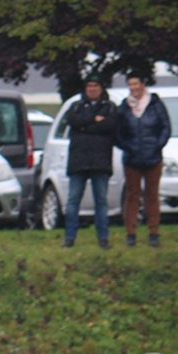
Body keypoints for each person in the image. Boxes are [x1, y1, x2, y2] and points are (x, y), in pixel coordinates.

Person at [62, 74, 118, 249]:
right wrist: (94, 120)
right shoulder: (76, 106)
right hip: (79, 161)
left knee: (101, 201)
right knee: (73, 201)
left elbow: (110, 126)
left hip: (100, 162)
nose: (92, 89)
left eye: (96, 86)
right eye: (89, 86)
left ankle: (103, 238)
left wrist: (86, 125)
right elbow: (73, 121)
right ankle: (69, 237)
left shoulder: (109, 107)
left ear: (101, 88)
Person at [116, 73, 171, 248]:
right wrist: (127, 147)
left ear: (142, 84)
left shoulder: (155, 104)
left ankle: (153, 231)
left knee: (152, 195)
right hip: (132, 158)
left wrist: (157, 146)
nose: (133, 87)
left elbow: (165, 127)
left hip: (153, 157)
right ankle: (131, 232)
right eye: (130, 84)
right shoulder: (124, 107)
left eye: (136, 83)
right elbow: (118, 132)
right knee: (132, 195)